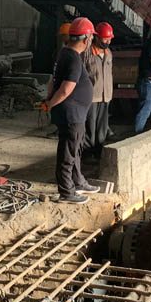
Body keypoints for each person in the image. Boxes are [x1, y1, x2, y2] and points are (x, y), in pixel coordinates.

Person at [43, 17, 101, 204]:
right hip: (71, 114)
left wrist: (49, 99)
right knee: (67, 154)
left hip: (74, 114)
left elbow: (52, 81)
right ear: (86, 39)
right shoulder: (73, 59)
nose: (91, 41)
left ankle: (78, 182)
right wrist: (51, 103)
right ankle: (67, 192)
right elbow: (66, 89)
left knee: (74, 150)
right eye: (91, 38)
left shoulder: (64, 53)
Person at [83, 22, 114, 159]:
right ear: (96, 37)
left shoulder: (108, 53)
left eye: (110, 39)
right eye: (105, 39)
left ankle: (98, 152)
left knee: (102, 126)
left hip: (105, 96)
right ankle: (87, 153)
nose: (108, 42)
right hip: (91, 97)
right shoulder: (87, 53)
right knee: (90, 126)